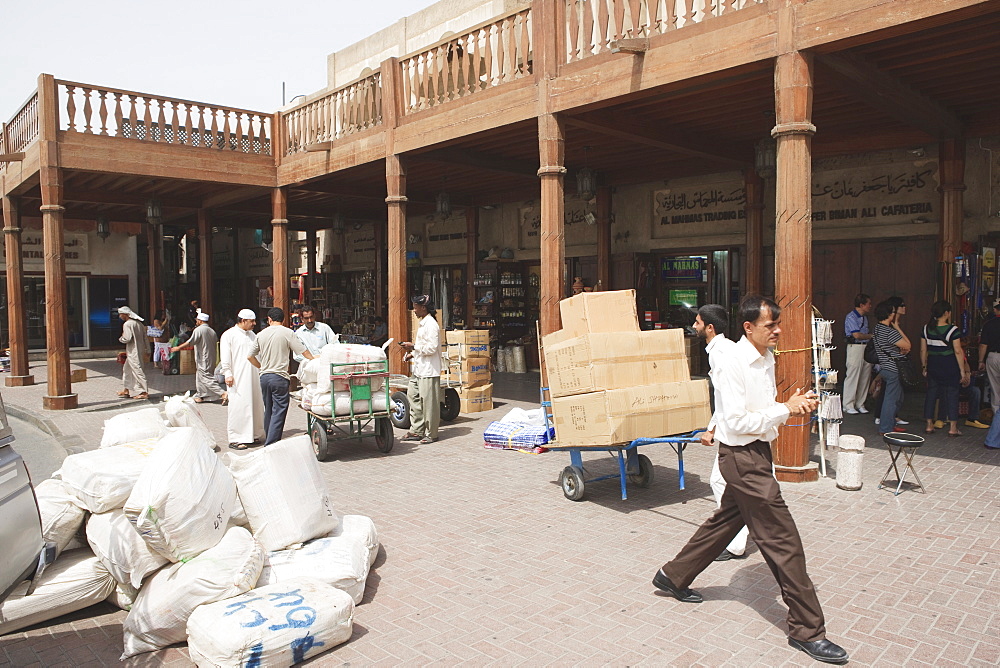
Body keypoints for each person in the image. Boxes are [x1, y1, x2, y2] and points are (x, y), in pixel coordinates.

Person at [652, 295, 848, 665]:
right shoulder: (731, 362)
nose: (777, 331)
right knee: (783, 542)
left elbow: (753, 410)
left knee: (723, 523)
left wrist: (790, 403)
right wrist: (784, 409)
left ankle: (671, 576)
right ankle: (808, 631)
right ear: (748, 327)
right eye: (769, 326)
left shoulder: (765, 357)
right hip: (742, 459)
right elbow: (739, 421)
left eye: (777, 323)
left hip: (756, 455)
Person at [693, 303, 749, 562]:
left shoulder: (720, 353)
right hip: (738, 424)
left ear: (710, 327)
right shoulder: (726, 348)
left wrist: (711, 428)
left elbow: (726, 395)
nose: (694, 327)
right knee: (729, 481)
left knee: (720, 480)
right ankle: (745, 527)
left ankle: (735, 541)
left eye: (698, 323)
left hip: (734, 426)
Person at [248, 307, 315, 445]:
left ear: (269, 319)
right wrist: (315, 360)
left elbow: (250, 356)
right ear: (284, 320)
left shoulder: (260, 334)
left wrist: (261, 367)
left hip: (264, 377)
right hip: (279, 377)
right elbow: (303, 351)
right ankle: (271, 443)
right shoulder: (288, 332)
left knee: (269, 409)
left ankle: (269, 438)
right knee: (279, 409)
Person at [920, 301, 970, 436]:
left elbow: (923, 350)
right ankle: (953, 428)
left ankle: (929, 425)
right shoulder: (953, 330)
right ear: (947, 313)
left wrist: (924, 366)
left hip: (933, 365)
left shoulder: (926, 329)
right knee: (952, 394)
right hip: (949, 365)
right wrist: (962, 371)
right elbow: (958, 351)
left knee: (931, 394)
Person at [219, 309, 265, 450]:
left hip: (254, 376)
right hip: (237, 377)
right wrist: (227, 373)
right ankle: (236, 438)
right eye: (251, 321)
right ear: (243, 321)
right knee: (239, 407)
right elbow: (225, 356)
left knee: (256, 405)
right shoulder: (229, 335)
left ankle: (254, 434)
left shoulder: (253, 335)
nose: (254, 324)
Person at [400, 295, 442, 444]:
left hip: (429, 370)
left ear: (423, 308)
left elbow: (431, 348)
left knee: (429, 403)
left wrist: (413, 347)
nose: (414, 310)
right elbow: (423, 347)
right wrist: (412, 353)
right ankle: (417, 430)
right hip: (419, 369)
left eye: (415, 307)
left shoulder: (431, 324)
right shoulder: (424, 323)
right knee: (413, 396)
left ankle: (431, 433)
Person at [873, 300, 911, 435]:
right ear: (890, 314)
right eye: (894, 312)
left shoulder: (877, 329)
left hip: (885, 366)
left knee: (897, 398)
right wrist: (898, 328)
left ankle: (890, 424)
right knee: (891, 400)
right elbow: (907, 345)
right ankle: (885, 428)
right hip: (894, 368)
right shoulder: (890, 331)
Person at [171, 312, 225, 403]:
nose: (196, 321)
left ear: (200, 321)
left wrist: (178, 347)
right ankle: (201, 395)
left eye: (197, 320)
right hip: (211, 357)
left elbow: (190, 342)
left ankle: (223, 393)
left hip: (204, 357)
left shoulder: (199, 330)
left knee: (206, 377)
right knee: (200, 376)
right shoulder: (211, 331)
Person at [842, 293, 873, 414]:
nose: (870, 306)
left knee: (865, 375)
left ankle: (860, 403)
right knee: (853, 375)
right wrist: (870, 336)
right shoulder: (851, 317)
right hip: (855, 346)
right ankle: (848, 404)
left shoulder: (864, 318)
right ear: (862, 305)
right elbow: (856, 335)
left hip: (865, 346)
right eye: (868, 303)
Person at [117, 306, 149, 400]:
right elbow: (145, 338)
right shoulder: (139, 324)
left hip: (133, 351)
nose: (120, 316)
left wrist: (121, 338)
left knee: (137, 370)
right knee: (127, 369)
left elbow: (127, 338)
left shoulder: (127, 324)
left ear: (125, 314)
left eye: (121, 314)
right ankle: (126, 390)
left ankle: (144, 391)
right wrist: (148, 350)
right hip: (139, 350)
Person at [977, 300, 1000, 417]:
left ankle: (997, 420)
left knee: (995, 390)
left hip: (993, 357)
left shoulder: (988, 324)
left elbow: (983, 344)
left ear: (995, 310)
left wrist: (981, 361)